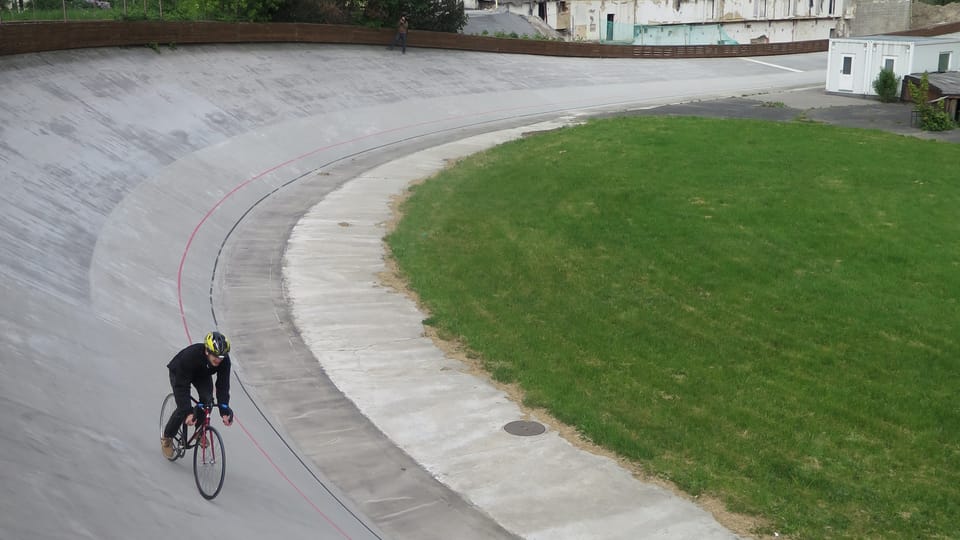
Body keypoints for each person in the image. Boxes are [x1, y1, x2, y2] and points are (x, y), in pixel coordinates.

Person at [161, 331, 235, 459]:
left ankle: (198, 431)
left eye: (222, 357)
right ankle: (167, 437)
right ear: (207, 351)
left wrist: (224, 411)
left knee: (208, 402)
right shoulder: (191, 356)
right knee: (182, 408)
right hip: (180, 372)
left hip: (201, 375)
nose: (219, 360)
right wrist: (188, 412)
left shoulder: (224, 361)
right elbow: (181, 387)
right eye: (216, 356)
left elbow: (223, 385)